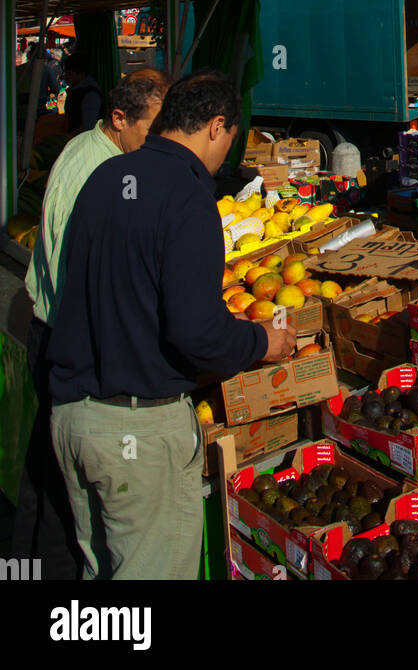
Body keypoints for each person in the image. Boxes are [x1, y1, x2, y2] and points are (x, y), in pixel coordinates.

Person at [48, 69, 296, 581]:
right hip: (135, 431)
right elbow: (196, 332)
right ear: (216, 126)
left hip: (73, 416)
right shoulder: (187, 197)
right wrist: (260, 341)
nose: (225, 155)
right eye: (229, 141)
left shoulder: (105, 177)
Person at [14, 69, 173, 580]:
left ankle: (27, 565)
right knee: (63, 487)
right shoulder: (93, 173)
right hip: (65, 339)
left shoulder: (101, 152)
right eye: (153, 129)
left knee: (47, 473)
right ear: (120, 118)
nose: (160, 143)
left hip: (59, 331)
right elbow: (77, 277)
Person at [63, 52, 104, 133]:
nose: (66, 78)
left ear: (81, 74)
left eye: (70, 74)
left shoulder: (90, 95)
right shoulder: (75, 91)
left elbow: (89, 126)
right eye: (66, 73)